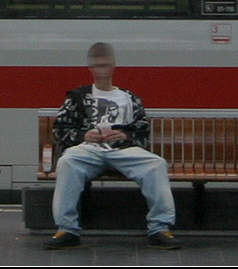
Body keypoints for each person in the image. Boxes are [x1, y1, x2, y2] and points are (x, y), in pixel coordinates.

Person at [44, 42, 180, 250]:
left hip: (122, 149)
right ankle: (67, 228)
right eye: (97, 65)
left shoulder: (130, 98)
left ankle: (159, 228)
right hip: (88, 149)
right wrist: (84, 135)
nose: (102, 70)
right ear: (90, 68)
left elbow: (142, 131)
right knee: (68, 162)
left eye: (105, 64)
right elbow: (60, 129)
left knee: (156, 164)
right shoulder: (77, 97)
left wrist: (125, 134)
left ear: (113, 66)